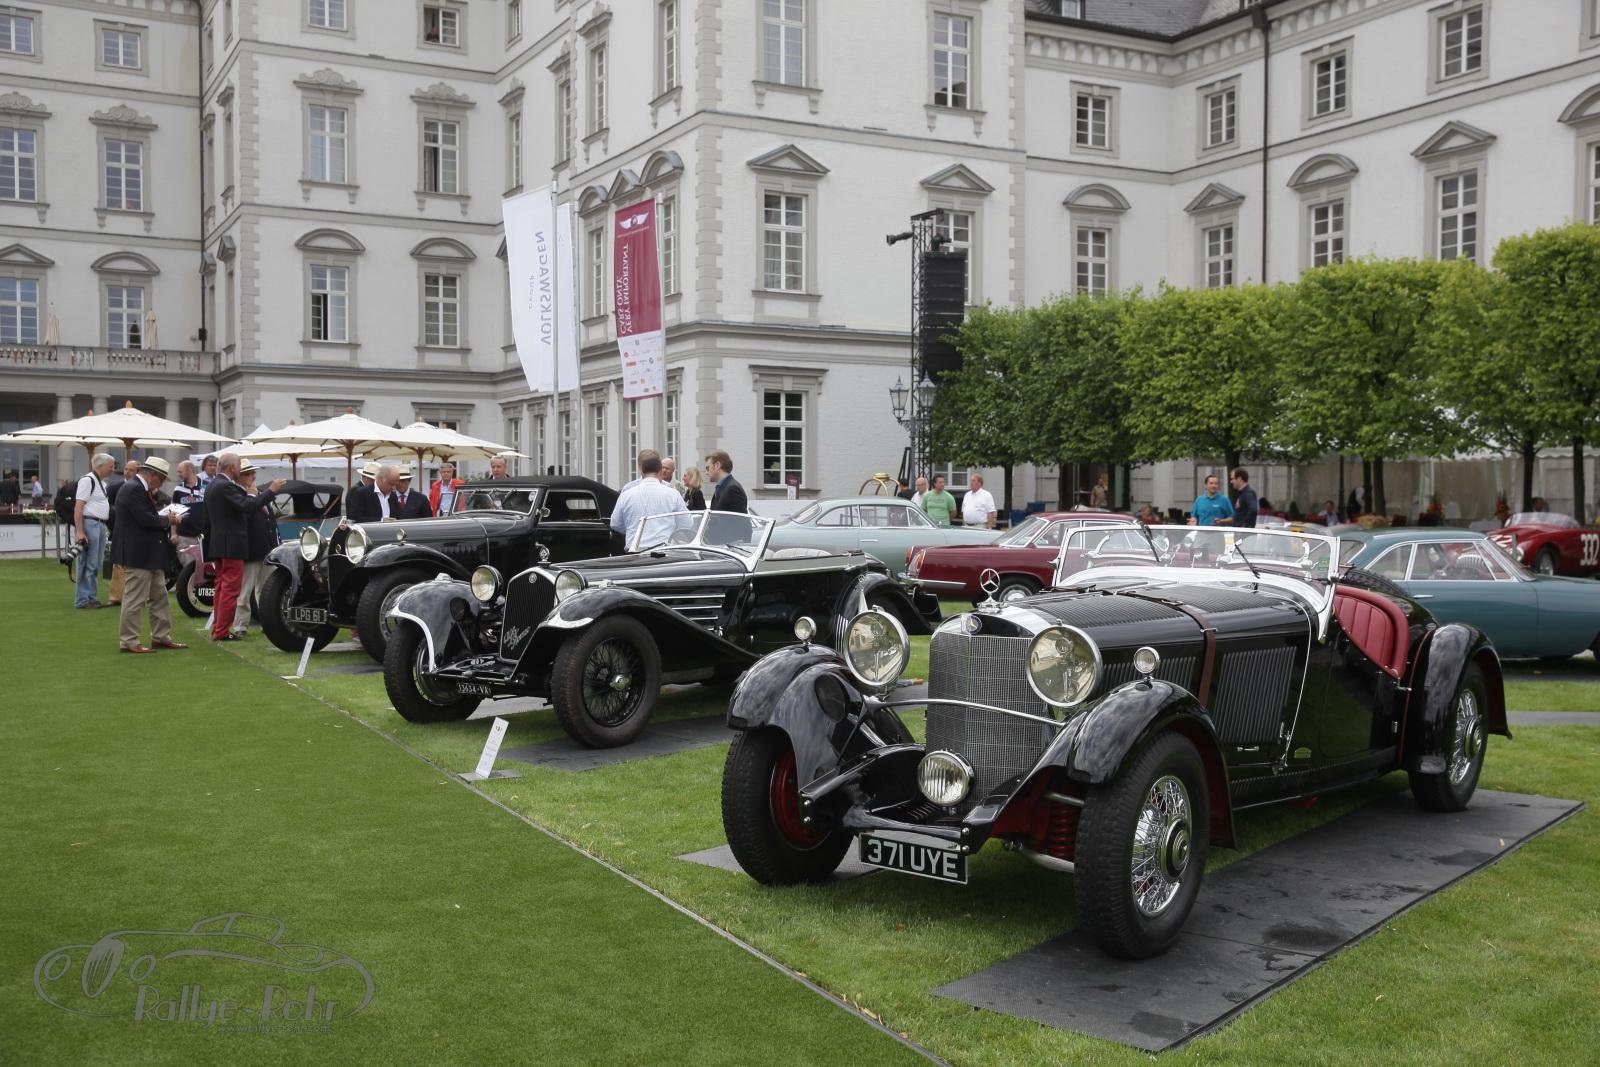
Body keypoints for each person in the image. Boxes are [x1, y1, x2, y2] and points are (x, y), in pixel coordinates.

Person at [205, 451, 286, 641]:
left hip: (220, 544)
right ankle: (222, 631)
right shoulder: (226, 486)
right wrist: (271, 491)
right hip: (232, 545)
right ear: (233, 468)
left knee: (222, 588)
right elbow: (247, 506)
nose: (244, 472)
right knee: (231, 589)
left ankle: (218, 628)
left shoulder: (213, 485)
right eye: (241, 468)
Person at [110, 457, 187, 653]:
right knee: (135, 598)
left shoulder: (138, 488)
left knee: (159, 596)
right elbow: (146, 519)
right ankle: (129, 641)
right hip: (138, 553)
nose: (160, 485)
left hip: (149, 553)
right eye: (161, 480)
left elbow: (147, 518)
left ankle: (161, 636)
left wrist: (163, 519)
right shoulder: (133, 489)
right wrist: (168, 519)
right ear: (153, 475)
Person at [228, 460, 282, 638]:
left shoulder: (256, 493)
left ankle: (269, 623)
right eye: (249, 474)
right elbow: (246, 513)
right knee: (245, 591)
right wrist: (256, 496)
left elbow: (270, 520)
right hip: (251, 551)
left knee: (267, 591)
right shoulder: (239, 495)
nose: (253, 476)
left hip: (267, 549)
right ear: (240, 477)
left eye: (253, 473)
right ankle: (240, 625)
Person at [611, 450, 687, 541]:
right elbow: (686, 523)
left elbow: (615, 523)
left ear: (641, 469)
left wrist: (634, 531)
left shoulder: (627, 492)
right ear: (659, 468)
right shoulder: (672, 492)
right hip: (662, 545)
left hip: (636, 545)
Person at [72, 453, 116, 609]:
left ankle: (90, 597)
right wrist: (80, 531)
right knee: (88, 563)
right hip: (91, 523)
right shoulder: (88, 480)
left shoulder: (101, 483)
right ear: (99, 466)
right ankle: (83, 600)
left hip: (99, 524)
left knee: (96, 564)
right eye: (111, 466)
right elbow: (78, 507)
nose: (113, 469)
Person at [104, 458, 141, 605]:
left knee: (136, 564)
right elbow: (108, 509)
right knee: (118, 563)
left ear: (138, 472)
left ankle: (135, 595)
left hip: (136, 531)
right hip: (119, 529)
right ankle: (115, 596)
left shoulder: (142, 488)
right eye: (126, 469)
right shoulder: (114, 487)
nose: (127, 472)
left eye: (131, 470)